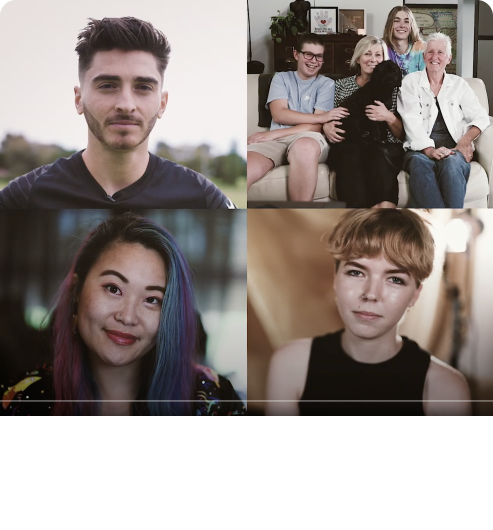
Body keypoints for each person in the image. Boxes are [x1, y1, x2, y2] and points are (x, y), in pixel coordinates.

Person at [2, 213, 245, 416]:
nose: (128, 317)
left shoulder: (213, 398)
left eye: (152, 300)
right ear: (77, 291)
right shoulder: (19, 399)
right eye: (113, 289)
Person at [0, 17, 236, 209]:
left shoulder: (203, 197)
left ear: (162, 103)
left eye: (143, 87)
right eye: (107, 85)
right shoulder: (23, 197)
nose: (126, 104)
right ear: (78, 99)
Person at [266, 209, 472, 416]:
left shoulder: (445, 389)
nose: (371, 294)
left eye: (395, 279)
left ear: (414, 295)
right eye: (356, 272)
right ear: (335, 279)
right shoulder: (291, 364)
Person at [397, 32, 490, 208]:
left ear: (448, 58)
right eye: (430, 52)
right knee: (419, 163)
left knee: (452, 163)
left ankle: (447, 221)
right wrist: (430, 150)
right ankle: (440, 223)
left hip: (454, 147)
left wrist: (465, 141)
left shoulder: (459, 84)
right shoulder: (410, 82)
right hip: (419, 149)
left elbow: (481, 116)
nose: (435, 57)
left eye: (440, 52)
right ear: (424, 56)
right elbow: (411, 121)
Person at [247, 33, 341, 201]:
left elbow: (316, 127)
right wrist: (320, 117)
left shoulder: (326, 84)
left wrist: (274, 133)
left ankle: (299, 219)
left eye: (319, 56)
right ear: (296, 54)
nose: (314, 61)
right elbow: (279, 114)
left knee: (304, 147)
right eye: (308, 54)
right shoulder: (281, 78)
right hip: (274, 141)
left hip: (308, 138)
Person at [323, 36, 405, 208]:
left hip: (385, 145)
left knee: (379, 154)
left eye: (378, 55)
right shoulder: (341, 85)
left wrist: (388, 116)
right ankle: (356, 215)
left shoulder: (396, 88)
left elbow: (402, 133)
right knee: (349, 153)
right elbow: (326, 115)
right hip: (350, 143)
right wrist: (326, 125)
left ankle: (383, 212)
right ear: (358, 58)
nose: (373, 60)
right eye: (368, 54)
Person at [383, 6, 426, 77]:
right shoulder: (381, 47)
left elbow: (427, 81)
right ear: (389, 24)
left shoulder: (422, 48)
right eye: (397, 21)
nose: (402, 25)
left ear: (411, 26)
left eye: (406, 21)